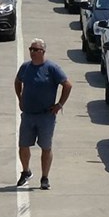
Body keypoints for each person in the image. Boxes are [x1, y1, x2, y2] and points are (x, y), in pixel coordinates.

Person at [15, 38, 72, 190]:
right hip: (28, 114)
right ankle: (26, 171)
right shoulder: (26, 67)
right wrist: (20, 98)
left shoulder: (52, 68)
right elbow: (17, 81)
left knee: (46, 147)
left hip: (46, 116)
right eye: (31, 49)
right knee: (23, 145)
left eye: (35, 50)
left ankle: (44, 178)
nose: (32, 52)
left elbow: (67, 84)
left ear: (43, 52)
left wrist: (59, 104)